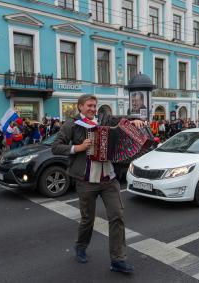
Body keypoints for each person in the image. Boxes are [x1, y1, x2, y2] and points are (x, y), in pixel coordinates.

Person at [51, 94, 144, 274]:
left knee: (117, 216)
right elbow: (56, 146)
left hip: (108, 180)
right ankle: (80, 246)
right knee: (88, 219)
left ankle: (118, 260)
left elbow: (120, 120)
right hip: (86, 181)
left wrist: (135, 120)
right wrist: (77, 148)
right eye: (89, 106)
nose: (93, 109)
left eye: (95, 106)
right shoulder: (72, 124)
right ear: (80, 107)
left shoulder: (103, 120)